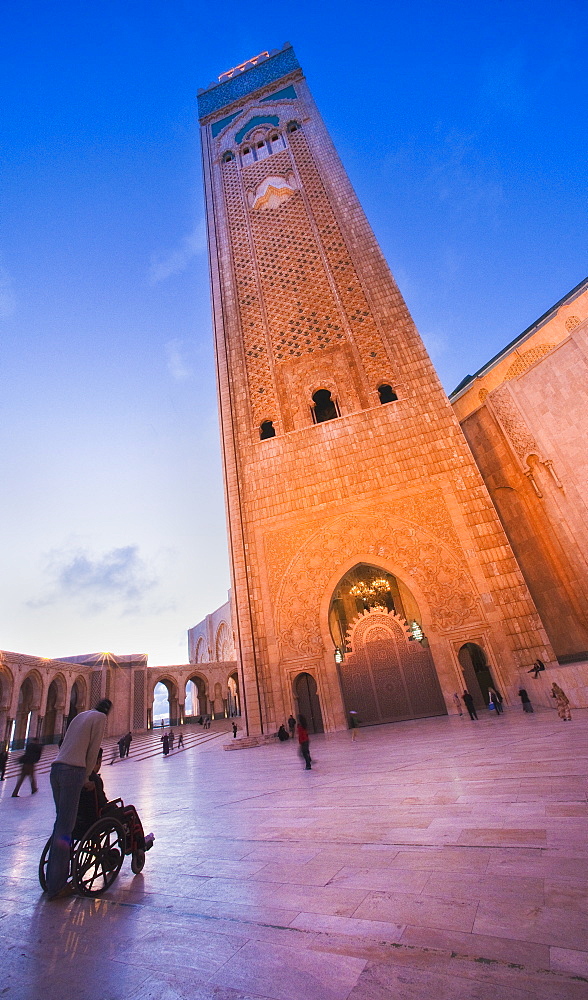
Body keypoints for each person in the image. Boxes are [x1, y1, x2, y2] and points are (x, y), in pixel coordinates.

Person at [45, 698, 112, 900]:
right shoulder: (100, 718)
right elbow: (93, 751)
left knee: (61, 826)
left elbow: (66, 743)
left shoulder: (80, 716)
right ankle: (57, 885)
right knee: (65, 829)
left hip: (56, 770)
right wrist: (87, 778)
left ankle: (53, 878)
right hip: (73, 772)